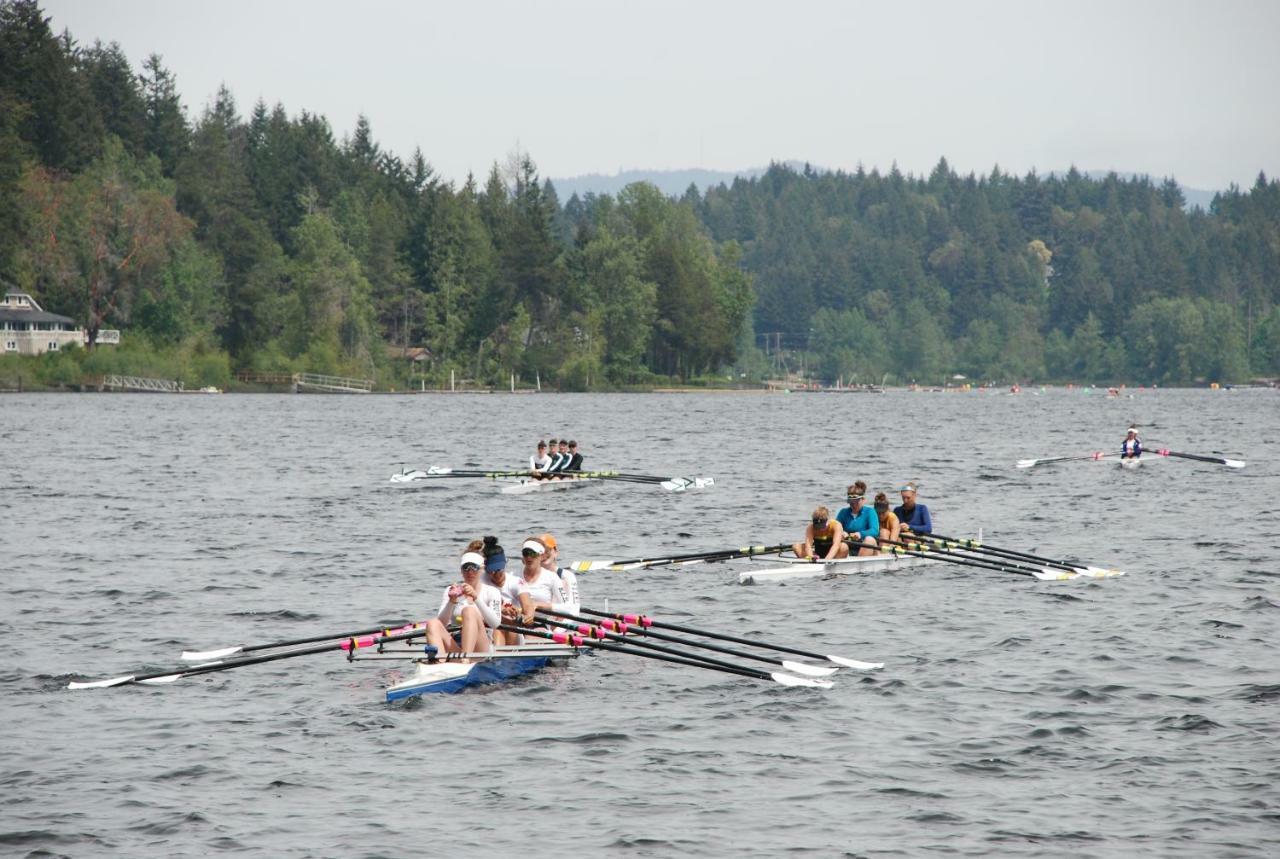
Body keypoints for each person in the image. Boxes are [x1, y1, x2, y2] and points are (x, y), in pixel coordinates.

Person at [423, 550, 504, 661]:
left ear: (481, 569)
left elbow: (495, 624)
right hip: (456, 643)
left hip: (481, 647)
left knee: (469, 611)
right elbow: (442, 623)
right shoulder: (451, 591)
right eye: (466, 567)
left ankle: (466, 659)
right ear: (461, 570)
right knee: (433, 623)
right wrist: (451, 601)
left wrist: (476, 598)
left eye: (474, 567)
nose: (470, 572)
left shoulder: (492, 591)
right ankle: (439, 663)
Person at [478, 536, 534, 645]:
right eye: (492, 570)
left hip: (512, 630)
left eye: (499, 569)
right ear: (485, 568)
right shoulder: (480, 581)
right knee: (497, 626)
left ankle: (503, 657)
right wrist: (501, 610)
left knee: (506, 626)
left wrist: (527, 617)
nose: (496, 574)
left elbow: (528, 607)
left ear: (505, 564)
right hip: (486, 629)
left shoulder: (516, 582)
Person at [516, 538, 569, 638]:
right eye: (526, 553)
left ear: (542, 556)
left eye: (533, 554)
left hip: (540, 625)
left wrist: (539, 605)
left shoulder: (552, 578)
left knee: (530, 636)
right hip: (516, 623)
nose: (529, 557)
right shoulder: (514, 576)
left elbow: (567, 608)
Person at [835, 481, 879, 556]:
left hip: (866, 547)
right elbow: (834, 528)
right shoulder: (843, 512)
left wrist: (860, 534)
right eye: (851, 502)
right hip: (848, 547)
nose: (854, 505)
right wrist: (841, 533)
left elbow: (875, 531)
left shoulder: (870, 512)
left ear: (863, 499)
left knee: (869, 540)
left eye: (856, 502)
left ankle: (860, 565)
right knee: (840, 542)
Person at [539, 532, 579, 612]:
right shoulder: (530, 576)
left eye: (547, 550)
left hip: (561, 621)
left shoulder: (567, 576)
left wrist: (546, 607)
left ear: (556, 552)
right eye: (540, 552)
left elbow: (575, 609)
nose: (544, 555)